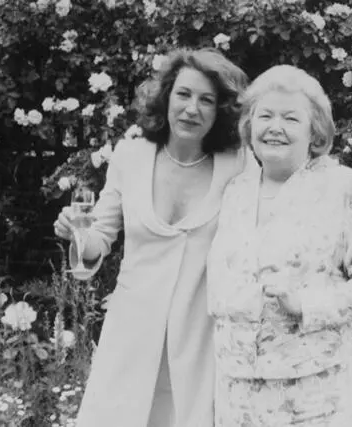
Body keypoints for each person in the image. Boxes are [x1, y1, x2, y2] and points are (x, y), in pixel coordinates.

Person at [53, 47, 253, 427]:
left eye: (206, 100)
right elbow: (100, 240)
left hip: (200, 340)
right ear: (166, 98)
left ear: (220, 110)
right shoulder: (131, 156)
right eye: (183, 94)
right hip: (129, 336)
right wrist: (77, 234)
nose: (192, 109)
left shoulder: (239, 165)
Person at [206, 65, 352, 426]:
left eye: (291, 118)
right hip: (236, 391)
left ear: (315, 131)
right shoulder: (235, 191)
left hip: (313, 393)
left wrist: (309, 304)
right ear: (250, 127)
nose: (275, 127)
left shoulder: (343, 188)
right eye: (264, 116)